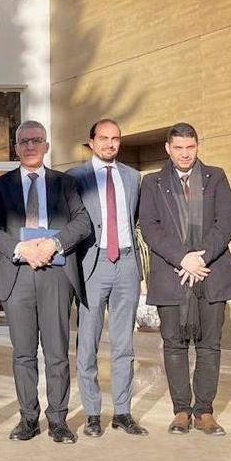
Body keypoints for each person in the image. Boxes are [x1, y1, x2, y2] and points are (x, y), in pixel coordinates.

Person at [0, 120, 91, 443]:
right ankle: (28, 418)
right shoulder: (2, 186)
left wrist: (53, 244)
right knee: (23, 353)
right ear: (16, 148)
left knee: (57, 352)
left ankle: (58, 420)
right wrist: (23, 249)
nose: (30, 146)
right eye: (24, 141)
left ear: (46, 145)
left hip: (55, 273)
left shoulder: (65, 183)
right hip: (17, 274)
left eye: (36, 140)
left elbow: (83, 222)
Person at [139, 123, 231, 436]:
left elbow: (226, 222)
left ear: (198, 146)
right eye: (179, 148)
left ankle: (205, 412)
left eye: (190, 147)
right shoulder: (152, 182)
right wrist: (183, 258)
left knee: (209, 345)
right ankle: (181, 411)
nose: (185, 154)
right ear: (168, 149)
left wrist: (200, 258)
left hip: (211, 273)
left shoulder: (216, 177)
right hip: (171, 273)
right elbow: (150, 227)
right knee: (174, 345)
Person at [65, 119, 148, 437]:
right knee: (87, 344)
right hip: (93, 263)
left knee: (124, 344)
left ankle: (123, 412)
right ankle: (92, 413)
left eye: (115, 139)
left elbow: (135, 219)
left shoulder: (132, 177)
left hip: (126, 263)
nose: (110, 144)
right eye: (103, 138)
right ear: (91, 141)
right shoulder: (75, 178)